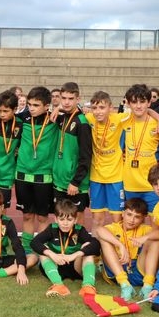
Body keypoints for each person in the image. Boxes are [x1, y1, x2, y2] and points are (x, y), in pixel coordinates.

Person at [30, 199, 100, 297]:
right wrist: (52, 254)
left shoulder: (79, 230)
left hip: (75, 267)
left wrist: (75, 255)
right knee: (43, 250)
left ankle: (88, 287)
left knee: (87, 246)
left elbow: (96, 244)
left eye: (69, 220)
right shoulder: (52, 229)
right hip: (56, 265)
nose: (65, 223)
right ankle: (58, 285)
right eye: (62, 219)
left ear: (75, 220)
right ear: (56, 219)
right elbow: (34, 242)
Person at [94, 198, 159, 300]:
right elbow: (99, 230)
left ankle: (148, 286)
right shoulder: (115, 227)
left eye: (137, 217)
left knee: (154, 240)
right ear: (123, 213)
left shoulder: (144, 229)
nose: (132, 220)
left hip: (138, 270)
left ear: (143, 218)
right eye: (129, 214)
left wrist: (145, 238)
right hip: (117, 269)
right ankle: (125, 286)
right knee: (105, 240)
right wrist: (120, 245)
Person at [14, 86, 56, 244]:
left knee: (43, 216)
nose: (31, 108)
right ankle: (26, 247)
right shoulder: (22, 118)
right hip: (22, 174)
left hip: (43, 176)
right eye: (30, 104)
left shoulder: (54, 120)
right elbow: (0, 112)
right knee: (27, 215)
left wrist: (58, 107)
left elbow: (75, 113)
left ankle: (42, 248)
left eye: (36, 105)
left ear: (46, 106)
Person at [85, 90, 127, 227]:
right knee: (97, 218)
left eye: (102, 107)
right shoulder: (89, 118)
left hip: (115, 177)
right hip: (96, 176)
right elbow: (69, 108)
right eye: (95, 108)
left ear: (111, 108)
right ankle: (96, 247)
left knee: (117, 219)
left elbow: (144, 111)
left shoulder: (119, 119)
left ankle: (118, 246)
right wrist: (57, 109)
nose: (98, 112)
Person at [52, 82, 92, 222]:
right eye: (64, 98)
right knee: (60, 217)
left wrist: (76, 181)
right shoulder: (62, 118)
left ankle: (76, 243)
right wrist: (57, 109)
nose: (67, 102)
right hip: (60, 179)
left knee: (76, 218)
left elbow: (86, 156)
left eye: (70, 98)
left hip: (75, 183)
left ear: (78, 99)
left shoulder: (82, 123)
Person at [121, 84, 159, 212]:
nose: (138, 106)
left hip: (152, 185)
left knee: (155, 223)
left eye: (142, 101)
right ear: (128, 103)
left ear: (149, 102)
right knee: (132, 223)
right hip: (130, 184)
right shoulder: (123, 122)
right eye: (134, 102)